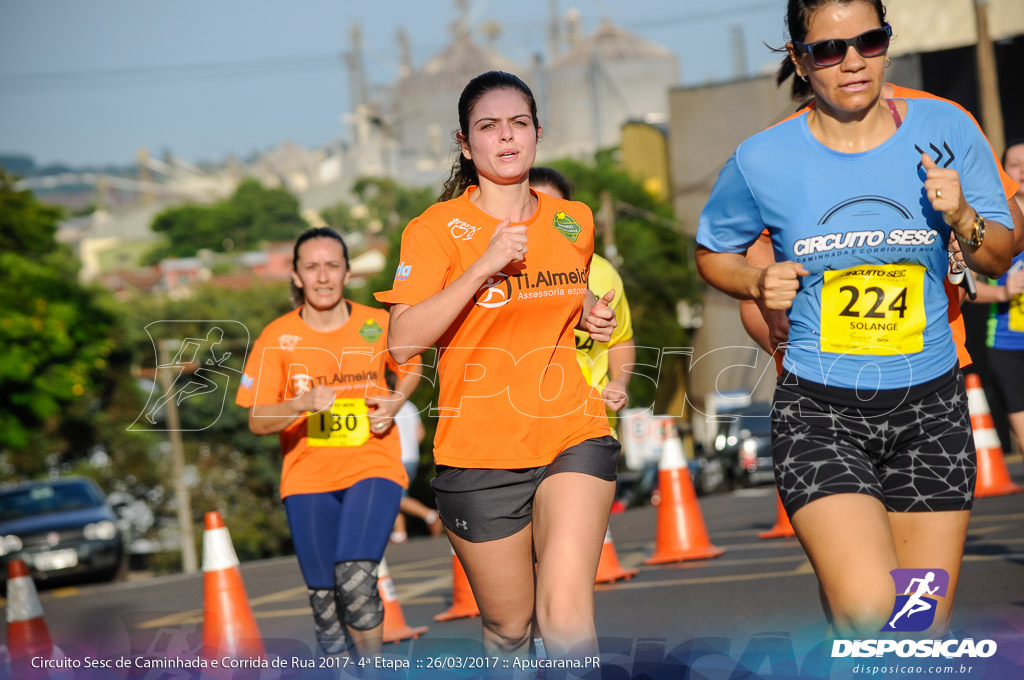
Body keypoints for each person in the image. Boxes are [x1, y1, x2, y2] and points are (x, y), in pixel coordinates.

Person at [695, 0, 1013, 640]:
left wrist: (962, 218)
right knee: (871, 612)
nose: (853, 61)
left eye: (869, 41)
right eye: (829, 49)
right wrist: (756, 280)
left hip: (931, 408)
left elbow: (1001, 253)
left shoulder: (947, 126)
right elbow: (712, 253)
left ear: (886, 42)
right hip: (821, 410)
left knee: (918, 626)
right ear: (798, 58)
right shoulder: (763, 159)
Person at [375, 71, 619, 662]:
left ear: (537, 133)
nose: (506, 138)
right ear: (465, 143)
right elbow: (402, 343)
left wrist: (587, 310)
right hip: (478, 454)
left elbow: (561, 285)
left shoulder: (574, 220)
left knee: (565, 613)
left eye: (518, 124)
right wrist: (482, 266)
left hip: (572, 431)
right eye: (489, 127)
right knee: (510, 629)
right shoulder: (433, 231)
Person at [236, 226, 422, 659]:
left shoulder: (377, 324)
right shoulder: (275, 339)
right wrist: (301, 402)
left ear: (347, 272)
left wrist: (395, 400)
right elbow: (258, 420)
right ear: (297, 276)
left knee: (357, 579)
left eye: (332, 266)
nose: (323, 277)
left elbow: (411, 366)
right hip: (307, 478)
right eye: (312, 267)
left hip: (373, 465)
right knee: (325, 606)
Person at [739, 87, 1023, 360]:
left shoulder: (942, 123)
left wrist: (965, 227)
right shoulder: (777, 149)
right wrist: (779, 326)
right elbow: (750, 264)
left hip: (929, 366)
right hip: (822, 376)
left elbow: (1012, 233)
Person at [529, 167, 636, 418]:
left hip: (592, 421)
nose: (546, 218)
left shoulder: (602, 272)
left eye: (556, 209)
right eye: (536, 206)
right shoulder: (503, 272)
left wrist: (620, 381)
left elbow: (621, 338)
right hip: (527, 425)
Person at [969, 139, 1024, 452]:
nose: (1023, 170)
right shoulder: (993, 221)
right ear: (1004, 172)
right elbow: (968, 291)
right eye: (1015, 164)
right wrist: (1005, 290)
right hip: (1008, 346)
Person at [389, 380, 443, 543]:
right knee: (395, 494)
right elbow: (420, 433)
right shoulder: (410, 406)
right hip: (412, 457)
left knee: (396, 497)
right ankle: (400, 533)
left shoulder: (388, 407)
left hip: (396, 456)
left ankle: (430, 515)